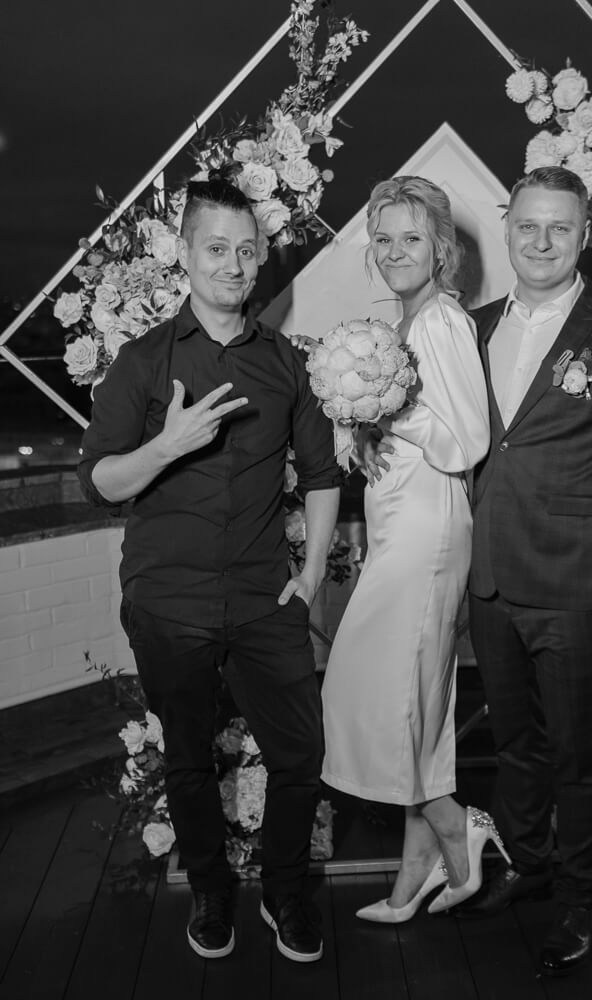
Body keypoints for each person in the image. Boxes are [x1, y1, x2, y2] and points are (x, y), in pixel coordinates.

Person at [77, 179, 342, 964]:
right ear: (186, 254)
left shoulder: (290, 364)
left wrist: (316, 567)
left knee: (300, 759)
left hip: (266, 598)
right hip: (170, 603)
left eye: (246, 249)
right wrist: (168, 444)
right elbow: (98, 484)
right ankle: (211, 892)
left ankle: (285, 891)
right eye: (216, 248)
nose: (233, 263)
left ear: (262, 258)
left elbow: (323, 475)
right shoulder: (144, 361)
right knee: (189, 762)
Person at [455, 166, 592, 975]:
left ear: (585, 236)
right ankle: (526, 861)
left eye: (560, 228)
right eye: (527, 226)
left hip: (582, 586)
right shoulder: (469, 327)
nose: (541, 242)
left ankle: (578, 901)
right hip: (491, 580)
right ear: (508, 227)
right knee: (514, 746)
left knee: (580, 754)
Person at [320, 175, 501, 922]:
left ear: (442, 250)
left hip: (430, 532)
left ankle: (459, 826)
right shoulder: (403, 326)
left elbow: (465, 441)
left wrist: (392, 407)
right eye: (385, 238)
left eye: (413, 238)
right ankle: (417, 865)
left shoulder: (442, 325)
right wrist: (365, 426)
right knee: (414, 701)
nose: (397, 251)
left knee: (380, 694)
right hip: (405, 524)